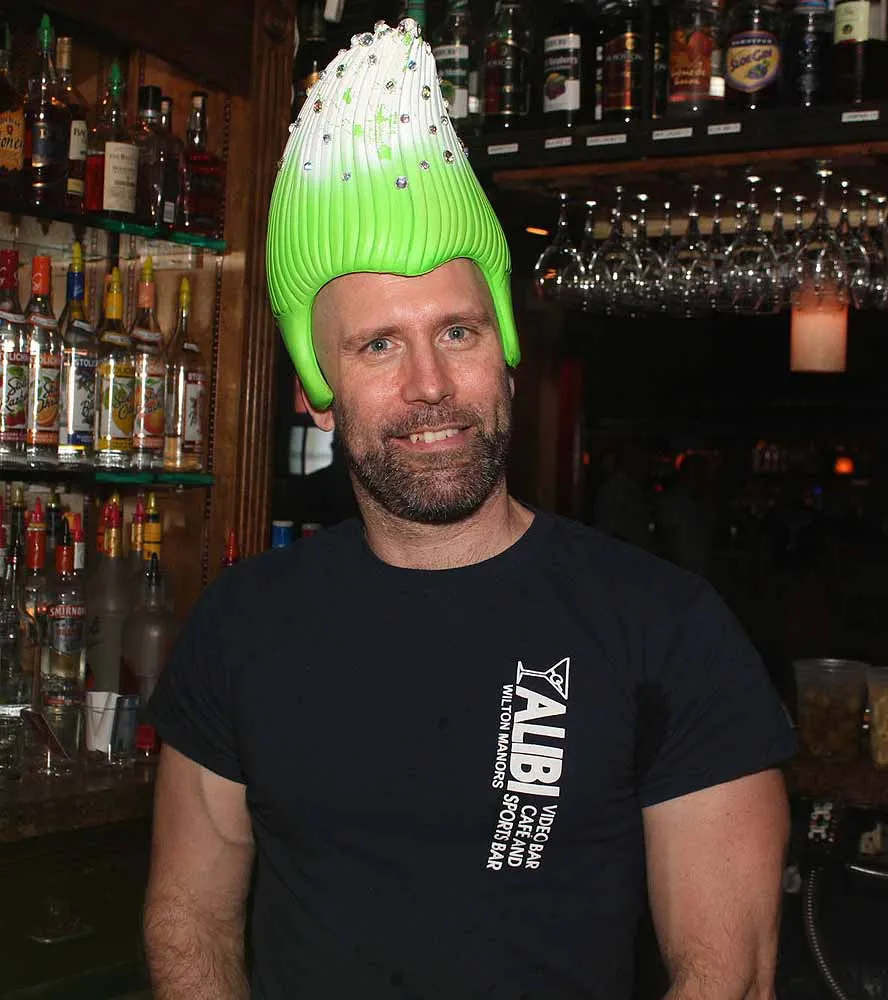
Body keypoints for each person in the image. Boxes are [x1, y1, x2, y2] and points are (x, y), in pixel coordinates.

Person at [143, 19, 796, 1000]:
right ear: (318, 394)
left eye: (458, 331)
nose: (430, 385)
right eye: (377, 346)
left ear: (508, 357)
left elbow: (727, 976)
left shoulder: (667, 629)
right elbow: (189, 920)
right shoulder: (242, 622)